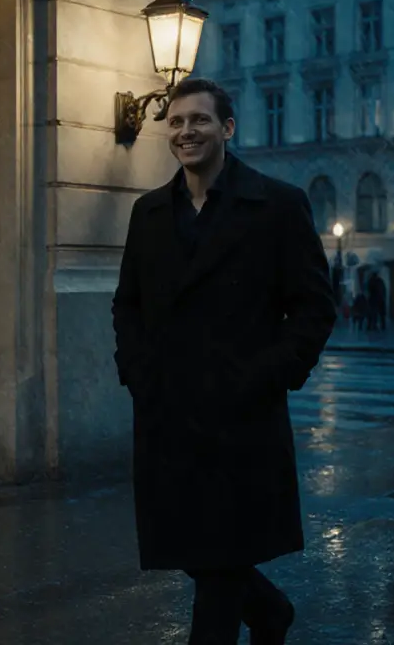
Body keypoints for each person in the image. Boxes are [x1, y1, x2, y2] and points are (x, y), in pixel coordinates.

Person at [112, 78, 336, 644]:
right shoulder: (149, 213)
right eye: (178, 122)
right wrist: (140, 376)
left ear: (228, 129)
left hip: (241, 417)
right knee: (201, 552)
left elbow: (313, 307)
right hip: (169, 415)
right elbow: (128, 305)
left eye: (201, 120)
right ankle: (269, 612)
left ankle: (265, 614)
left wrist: (267, 375)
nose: (187, 131)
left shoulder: (278, 205)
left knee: (217, 565)